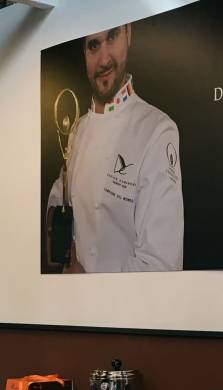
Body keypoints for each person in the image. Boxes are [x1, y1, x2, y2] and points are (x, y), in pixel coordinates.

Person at [47, 24, 183, 273]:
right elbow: (60, 204)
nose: (104, 60)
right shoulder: (77, 130)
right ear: (84, 54)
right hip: (70, 296)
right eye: (93, 45)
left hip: (120, 300)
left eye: (112, 37)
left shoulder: (157, 130)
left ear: (128, 34)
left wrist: (86, 284)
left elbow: (161, 265)